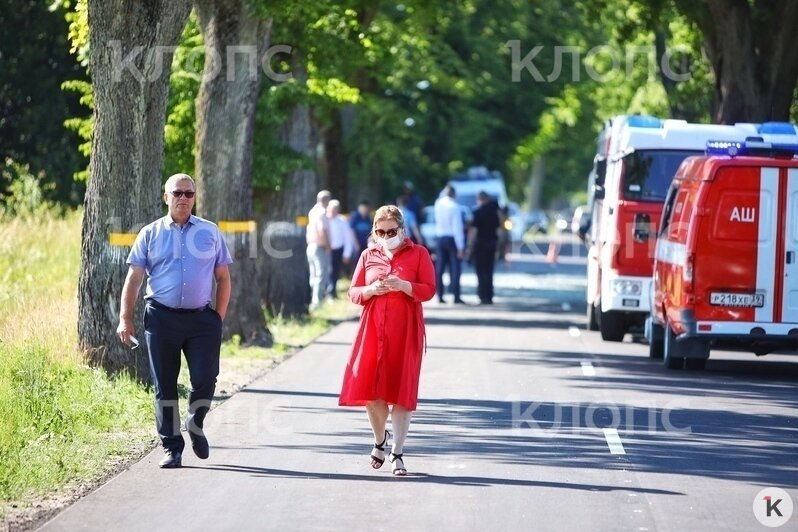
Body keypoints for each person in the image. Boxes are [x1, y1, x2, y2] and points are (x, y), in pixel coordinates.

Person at [116, 173, 232, 469]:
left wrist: (217, 318)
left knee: (206, 379)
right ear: (166, 197)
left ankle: (195, 421)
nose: (183, 198)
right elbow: (135, 278)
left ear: (195, 197)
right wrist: (125, 318)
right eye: (177, 193)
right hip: (161, 318)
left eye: (188, 193)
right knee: (165, 385)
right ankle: (172, 447)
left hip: (201, 320)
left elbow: (223, 278)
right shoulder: (150, 233)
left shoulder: (210, 232)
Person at [339, 205, 436, 476]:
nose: (385, 236)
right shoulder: (368, 255)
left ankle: (398, 452)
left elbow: (429, 289)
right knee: (372, 390)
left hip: (405, 331)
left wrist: (405, 286)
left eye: (391, 231)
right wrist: (370, 290)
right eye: (379, 231)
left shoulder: (419, 254)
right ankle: (379, 440)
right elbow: (353, 292)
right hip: (372, 330)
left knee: (402, 392)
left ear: (402, 229)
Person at [433, 184, 465, 304]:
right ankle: (456, 295)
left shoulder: (438, 204)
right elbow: (457, 228)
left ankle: (440, 294)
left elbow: (441, 196)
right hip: (452, 238)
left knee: (440, 268)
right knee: (455, 267)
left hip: (440, 238)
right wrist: (461, 246)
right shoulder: (455, 207)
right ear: (454, 194)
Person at [469, 191, 501, 304]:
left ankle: (482, 295)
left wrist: (470, 245)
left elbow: (474, 230)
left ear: (479, 199)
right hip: (491, 244)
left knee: (480, 271)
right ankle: (489, 295)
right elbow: (498, 230)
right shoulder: (494, 212)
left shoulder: (477, 212)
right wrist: (498, 244)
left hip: (480, 245)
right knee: (489, 270)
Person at [306, 190, 332, 310]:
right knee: (321, 274)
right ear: (326, 200)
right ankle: (317, 302)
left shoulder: (312, 211)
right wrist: (327, 246)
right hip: (319, 246)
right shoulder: (322, 212)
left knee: (313, 274)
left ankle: (312, 299)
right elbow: (322, 231)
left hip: (310, 246)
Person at [326, 199, 356, 298]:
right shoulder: (324, 219)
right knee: (325, 271)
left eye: (335, 209)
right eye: (331, 209)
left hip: (338, 250)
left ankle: (332, 292)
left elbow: (347, 238)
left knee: (335, 271)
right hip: (325, 249)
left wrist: (347, 254)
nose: (333, 211)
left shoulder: (342, 221)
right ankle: (325, 292)